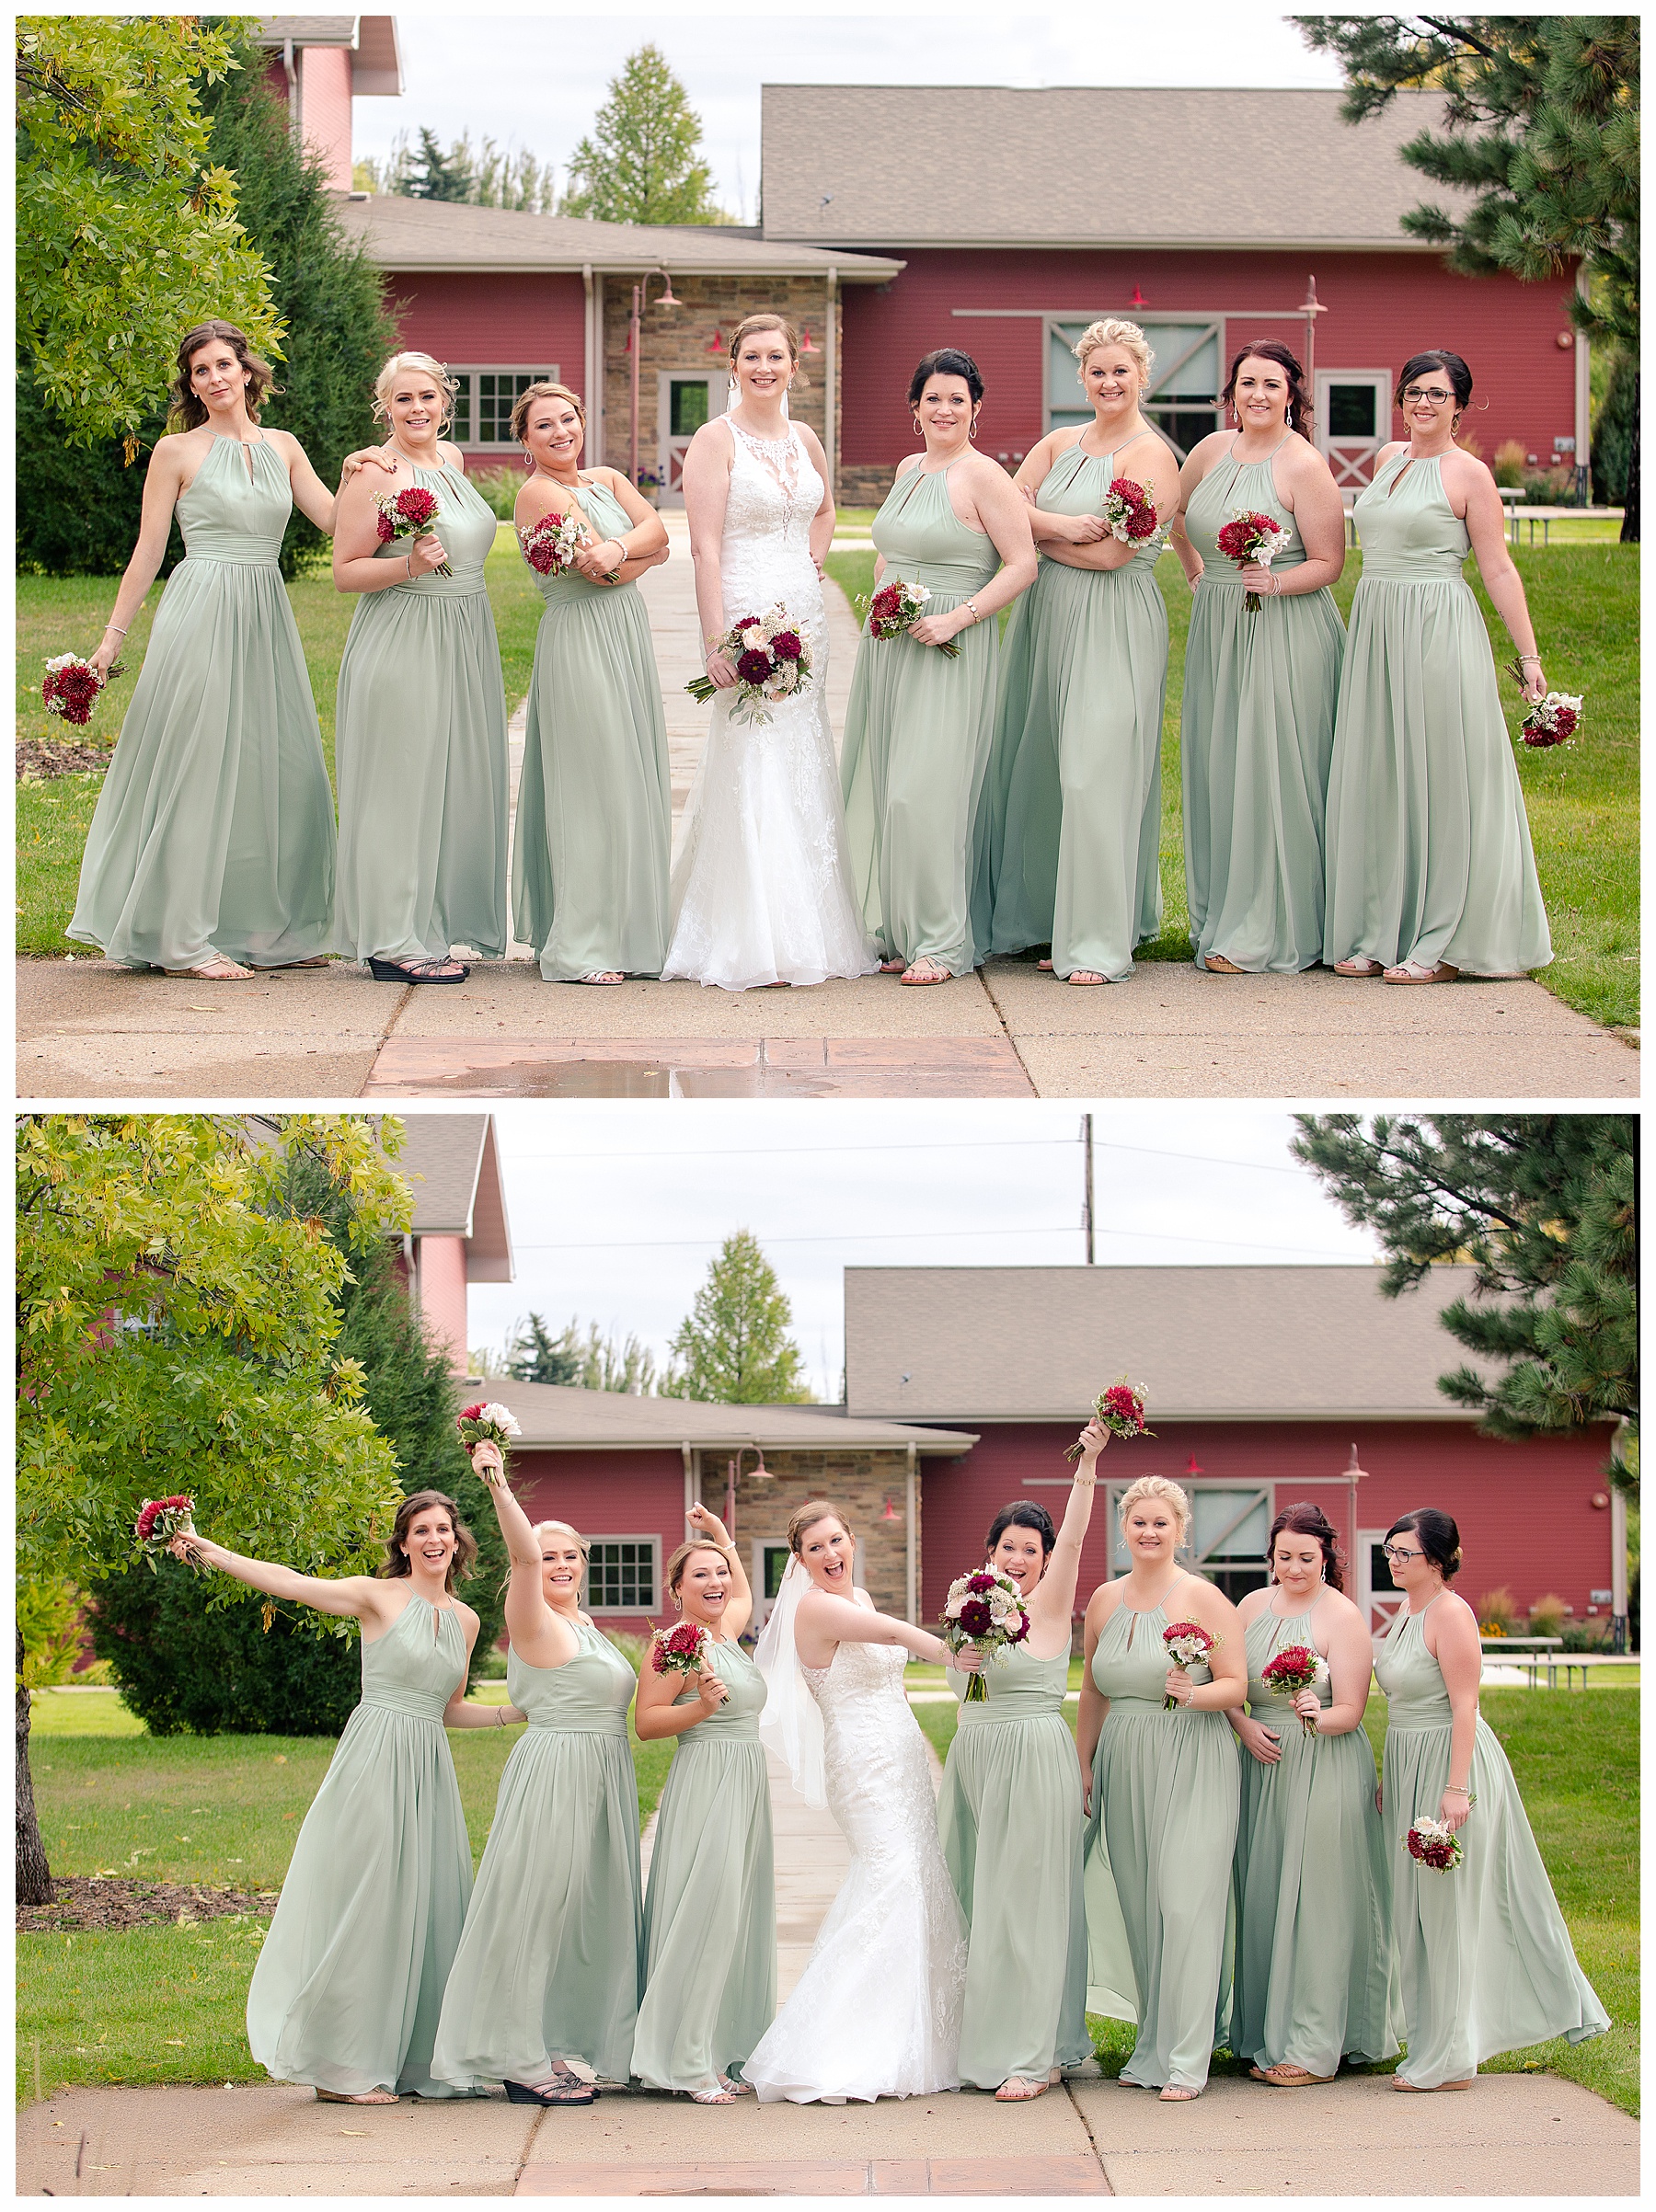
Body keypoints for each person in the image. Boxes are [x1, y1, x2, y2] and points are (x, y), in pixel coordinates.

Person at [67, 319, 389, 980]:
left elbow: (334, 522)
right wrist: (110, 641)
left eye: (222, 365)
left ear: (248, 371)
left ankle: (274, 928)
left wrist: (363, 471)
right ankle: (182, 939)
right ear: (192, 385)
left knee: (281, 768)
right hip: (202, 609)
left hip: (264, 612)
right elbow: (149, 551)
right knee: (200, 766)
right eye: (200, 371)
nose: (213, 379)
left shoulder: (285, 446)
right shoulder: (175, 451)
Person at [170, 1491, 519, 2101]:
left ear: (457, 1540)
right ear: (404, 1543)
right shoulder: (377, 1595)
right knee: (370, 1902)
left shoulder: (467, 1621)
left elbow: (450, 1708)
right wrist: (209, 1548)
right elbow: (288, 1582)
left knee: (427, 1904)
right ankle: (341, 2067)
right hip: (375, 1757)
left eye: (443, 1528)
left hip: (429, 1770)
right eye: (421, 1530)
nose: (435, 1539)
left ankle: (411, 2058)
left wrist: (514, 1713)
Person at [1323, 350, 1553, 983]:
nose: (1423, 403)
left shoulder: (1470, 474)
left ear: (1460, 404)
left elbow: (1498, 568)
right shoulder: (1387, 459)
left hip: (1436, 627)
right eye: (1413, 391)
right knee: (1383, 776)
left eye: (1437, 394)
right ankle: (1381, 928)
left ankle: (1443, 941)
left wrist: (1529, 657)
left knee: (1439, 777)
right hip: (1377, 624)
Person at [662, 314, 878, 990]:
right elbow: (704, 545)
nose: (764, 367)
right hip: (744, 611)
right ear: (733, 366)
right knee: (752, 753)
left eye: (775, 356)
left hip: (805, 616)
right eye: (751, 356)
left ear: (793, 366)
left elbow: (823, 509)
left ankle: (810, 927)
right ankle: (749, 933)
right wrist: (715, 638)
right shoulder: (712, 439)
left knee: (803, 756)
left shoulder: (804, 436)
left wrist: (811, 560)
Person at [432, 1444, 641, 2104]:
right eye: (548, 1554)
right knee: (536, 1907)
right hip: (557, 1772)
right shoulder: (532, 1616)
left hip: (603, 1774)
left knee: (581, 1914)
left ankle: (552, 2037)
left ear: (585, 1562)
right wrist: (497, 1482)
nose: (557, 1563)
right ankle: (518, 2060)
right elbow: (521, 1555)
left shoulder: (586, 1626)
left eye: (569, 1554)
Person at [1374, 1507, 1607, 2090]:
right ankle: (1429, 2043)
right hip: (1407, 1757)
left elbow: (1464, 1706)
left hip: (1450, 1762)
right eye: (1390, 1552)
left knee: (1448, 1912)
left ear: (1436, 1559)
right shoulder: (1406, 1610)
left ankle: (1451, 2057)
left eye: (1404, 1553)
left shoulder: (1452, 1615)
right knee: (1415, 1913)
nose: (1394, 1562)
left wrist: (1456, 1790)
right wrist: (1390, 1773)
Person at [976, 318, 1180, 984]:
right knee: (1039, 766)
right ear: (1081, 378)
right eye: (1098, 371)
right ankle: (1039, 921)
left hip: (1116, 619)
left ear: (1142, 376)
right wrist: (1058, 527)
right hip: (1047, 616)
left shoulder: (1152, 456)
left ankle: (1097, 941)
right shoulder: (1059, 442)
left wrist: (1037, 537)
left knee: (1097, 773)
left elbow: (1115, 555)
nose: (1109, 382)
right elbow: (1002, 505)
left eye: (1121, 371)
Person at [742, 1499, 967, 2102]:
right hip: (862, 1762)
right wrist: (954, 1651)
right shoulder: (816, 1606)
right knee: (890, 1878)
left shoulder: (859, 1597)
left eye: (836, 1539)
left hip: (901, 1754)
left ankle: (910, 2040)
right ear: (800, 1560)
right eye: (814, 1547)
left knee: (917, 1876)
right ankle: (835, 2042)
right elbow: (896, 1635)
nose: (830, 1553)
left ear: (852, 1539)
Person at [839, 349, 1036, 983]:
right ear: (915, 408)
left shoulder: (985, 477)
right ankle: (903, 929)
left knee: (925, 793)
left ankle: (942, 942)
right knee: (889, 788)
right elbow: (890, 552)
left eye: (957, 398)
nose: (944, 409)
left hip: (953, 646)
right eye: (933, 398)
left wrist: (960, 617)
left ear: (975, 409)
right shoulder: (907, 468)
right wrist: (883, 601)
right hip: (893, 644)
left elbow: (1023, 564)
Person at [937, 1424, 1103, 2099]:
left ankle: (1033, 2055)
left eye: (1031, 1549)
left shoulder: (1051, 1603)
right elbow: (959, 1690)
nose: (1019, 1559)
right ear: (991, 1550)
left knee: (1029, 1905)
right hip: (975, 1759)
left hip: (1033, 1758)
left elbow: (1077, 1534)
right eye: (1008, 1547)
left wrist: (1087, 1464)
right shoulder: (968, 1608)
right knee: (980, 1901)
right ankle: (1003, 2035)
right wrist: (960, 1658)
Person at [332, 351, 509, 983]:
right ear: (385, 406)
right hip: (404, 634)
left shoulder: (453, 461)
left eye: (427, 397)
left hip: (465, 635)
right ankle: (391, 938)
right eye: (403, 399)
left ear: (445, 401)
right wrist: (409, 564)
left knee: (447, 784)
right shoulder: (373, 472)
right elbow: (345, 571)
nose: (417, 409)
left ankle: (429, 922)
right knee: (400, 786)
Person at [1172, 342, 1347, 974]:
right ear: (1232, 391)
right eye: (1247, 383)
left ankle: (1270, 927)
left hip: (1287, 629)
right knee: (1222, 765)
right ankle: (1225, 913)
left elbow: (1330, 562)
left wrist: (1273, 582)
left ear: (1293, 395)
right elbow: (1179, 516)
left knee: (1270, 771)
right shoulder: (1208, 452)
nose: (1258, 395)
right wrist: (1199, 576)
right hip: (1220, 622)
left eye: (1272, 384)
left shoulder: (1304, 466)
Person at [1077, 1476, 1246, 2099]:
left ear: (1181, 1529)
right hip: (1124, 1757)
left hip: (1193, 1756)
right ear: (1123, 1527)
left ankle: (1186, 2057)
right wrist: (1085, 1763)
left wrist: (1194, 1693)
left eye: (1161, 1523)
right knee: (1144, 1905)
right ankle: (1154, 2043)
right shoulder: (1102, 1599)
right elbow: (1093, 1689)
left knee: (1186, 1902)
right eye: (1138, 1521)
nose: (1149, 1532)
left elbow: (1237, 1684)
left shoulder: (1203, 1597)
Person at [1226, 1504, 1398, 2086]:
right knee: (1268, 1893)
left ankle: (1314, 2044)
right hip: (1261, 1762)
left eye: (1305, 1557)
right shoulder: (1250, 1607)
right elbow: (1225, 1681)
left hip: (1324, 1764)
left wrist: (1315, 1714)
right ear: (1270, 1557)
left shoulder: (1344, 1617)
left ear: (1326, 1558)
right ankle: (1262, 2034)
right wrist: (1242, 1724)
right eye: (1283, 1557)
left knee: (1318, 1900)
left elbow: (1352, 1710)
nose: (1293, 1568)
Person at [510, 381, 673, 984]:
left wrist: (626, 549)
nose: (561, 432)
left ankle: (624, 932)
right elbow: (600, 576)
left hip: (624, 639)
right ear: (526, 440)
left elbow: (655, 532)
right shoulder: (536, 493)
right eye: (544, 425)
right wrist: (643, 555)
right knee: (592, 785)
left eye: (568, 418)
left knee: (628, 778)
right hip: (580, 639)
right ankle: (580, 945)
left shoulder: (604, 478)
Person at [632, 1507, 775, 2101]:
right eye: (700, 1577)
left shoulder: (727, 1632)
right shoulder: (675, 1644)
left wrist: (720, 1536)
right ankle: (685, 2060)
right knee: (704, 1914)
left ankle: (716, 2051)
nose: (716, 1584)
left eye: (719, 1574)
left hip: (747, 1783)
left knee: (735, 1918)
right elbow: (645, 1723)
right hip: (707, 1782)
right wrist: (700, 1708)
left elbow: (742, 1589)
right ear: (676, 1589)